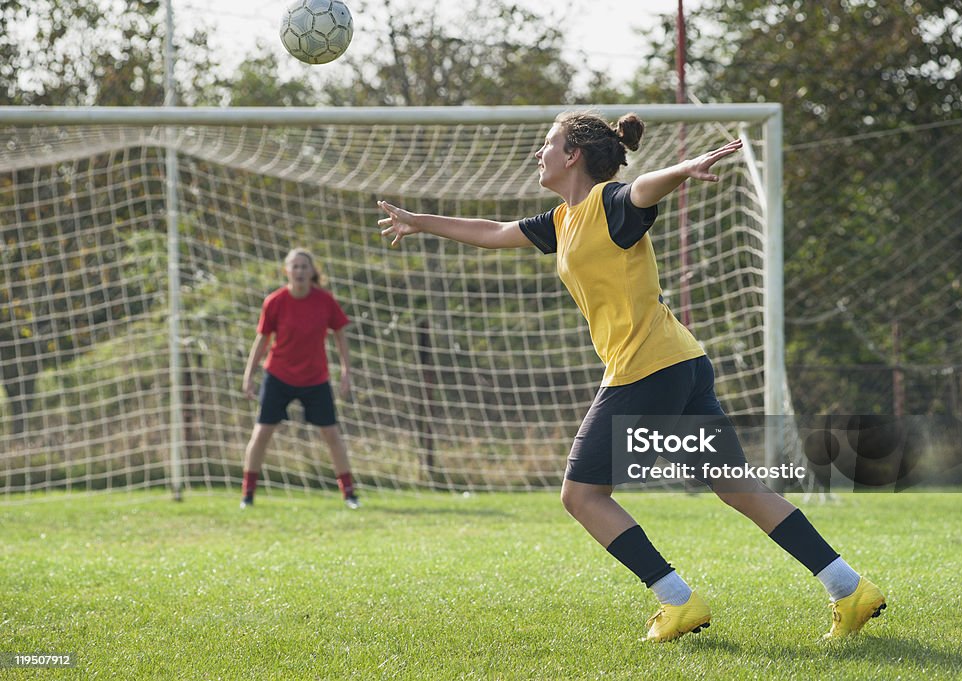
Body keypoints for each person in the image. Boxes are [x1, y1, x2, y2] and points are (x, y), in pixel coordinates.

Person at [376, 111, 885, 642]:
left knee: (582, 496)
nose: (538, 153)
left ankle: (677, 601)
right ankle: (849, 589)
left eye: (547, 143)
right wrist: (420, 220)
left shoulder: (608, 203)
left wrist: (682, 168)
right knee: (737, 486)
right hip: (681, 363)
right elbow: (496, 231)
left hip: (645, 370)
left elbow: (640, 190)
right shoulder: (563, 219)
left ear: (572, 155)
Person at [240, 248, 360, 510]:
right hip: (278, 376)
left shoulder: (325, 301)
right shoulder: (275, 302)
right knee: (262, 432)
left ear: (312, 271)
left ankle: (349, 494)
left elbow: (340, 335)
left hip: (315, 378)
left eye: (304, 266)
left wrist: (346, 371)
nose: (300, 271)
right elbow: (262, 339)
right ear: (287, 271)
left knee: (331, 434)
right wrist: (249, 375)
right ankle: (247, 495)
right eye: (295, 266)